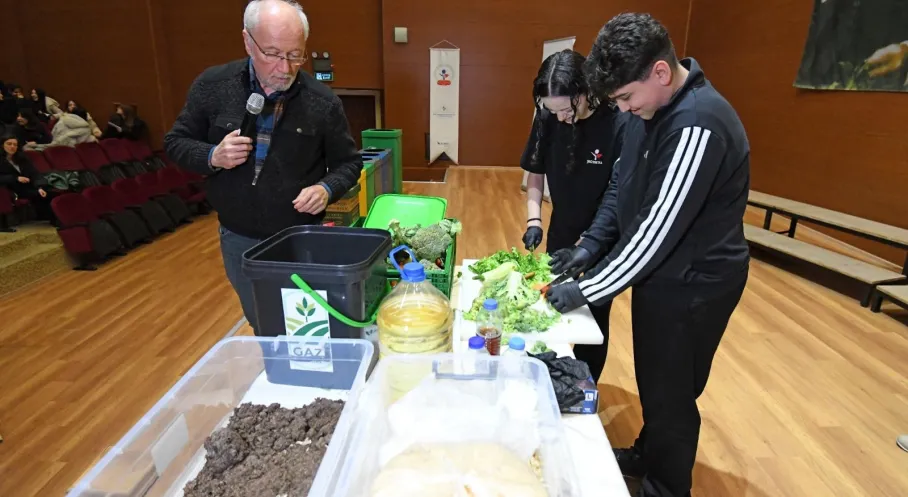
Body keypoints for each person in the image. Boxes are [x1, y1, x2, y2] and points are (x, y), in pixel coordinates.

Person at [544, 13, 750, 497]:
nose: (623, 108)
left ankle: (666, 485)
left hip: (696, 282)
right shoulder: (646, 111)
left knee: (672, 391)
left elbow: (657, 231)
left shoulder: (698, 123)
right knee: (654, 375)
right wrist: (589, 246)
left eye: (625, 98)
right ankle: (646, 452)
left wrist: (586, 289)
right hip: (661, 275)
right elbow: (622, 188)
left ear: (660, 72)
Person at [164, 0, 362, 335]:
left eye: (295, 55)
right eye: (272, 53)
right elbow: (175, 143)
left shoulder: (322, 102)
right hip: (239, 238)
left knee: (308, 325)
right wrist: (213, 155)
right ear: (247, 41)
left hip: (300, 237)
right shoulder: (213, 86)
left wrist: (326, 188)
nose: (284, 67)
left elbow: (348, 162)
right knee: (265, 323)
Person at [520, 49, 626, 381]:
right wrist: (534, 219)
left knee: (592, 318)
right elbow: (535, 171)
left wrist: (588, 243)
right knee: (550, 307)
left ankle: (584, 385)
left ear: (586, 90)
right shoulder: (549, 117)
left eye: (567, 108)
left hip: (603, 239)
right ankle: (552, 377)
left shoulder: (616, 121)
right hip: (563, 230)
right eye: (553, 111)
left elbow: (617, 193)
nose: (561, 117)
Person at [0, 134, 56, 224]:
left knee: (49, 193)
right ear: (2, 145)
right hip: (12, 189)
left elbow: (35, 173)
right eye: (9, 144)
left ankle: (56, 220)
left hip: (28, 187)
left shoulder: (22, 159)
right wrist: (16, 178)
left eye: (15, 145)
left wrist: (40, 187)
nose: (12, 147)